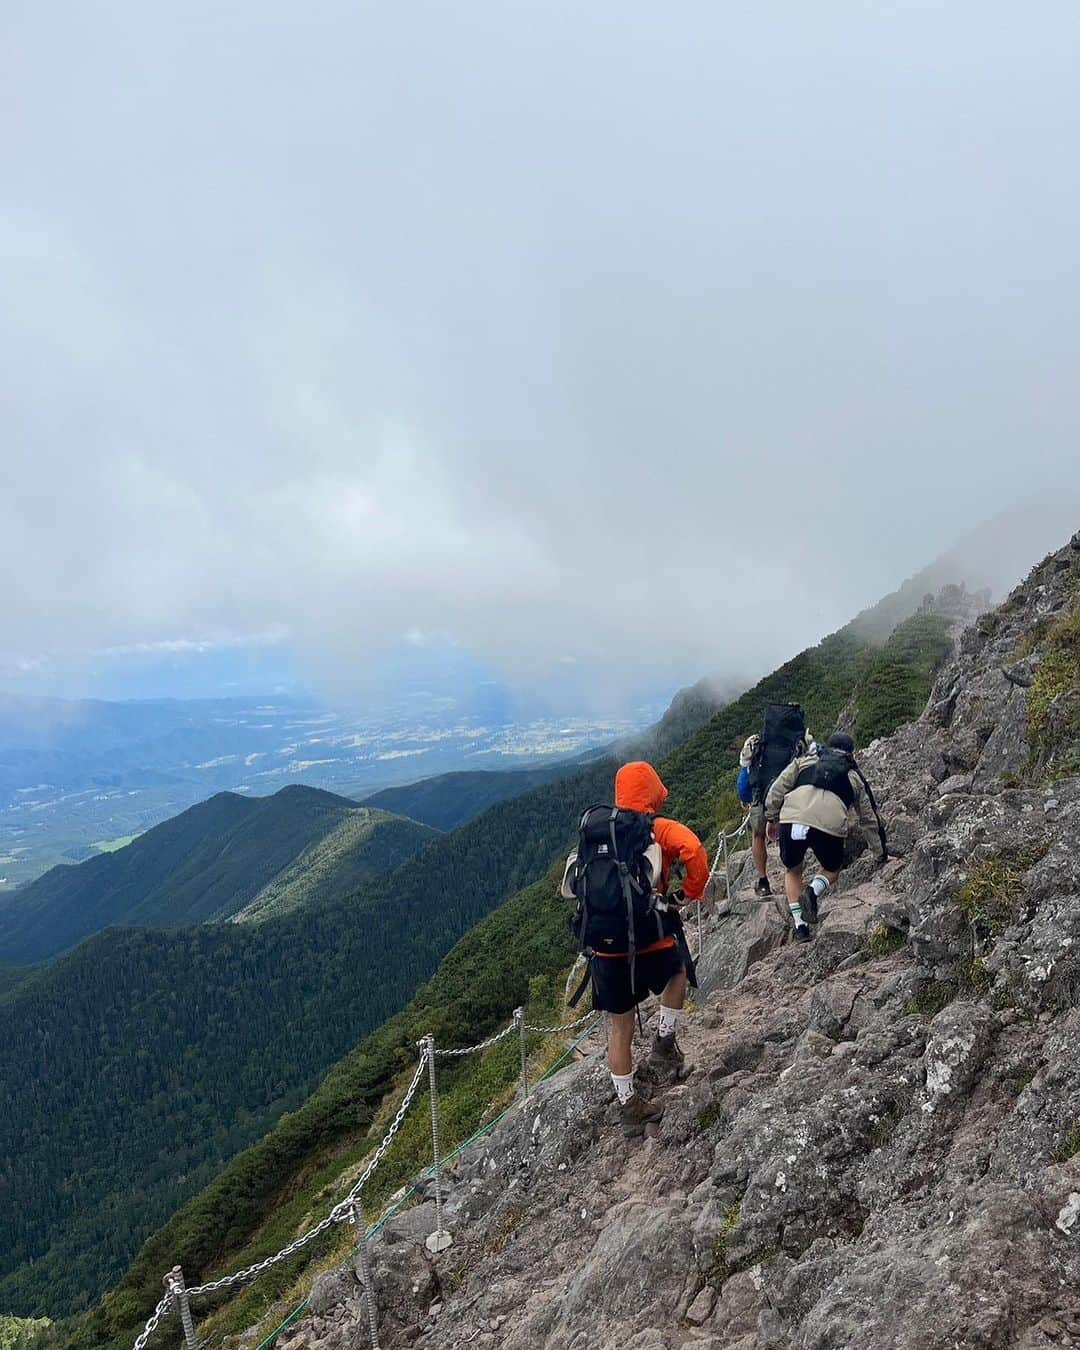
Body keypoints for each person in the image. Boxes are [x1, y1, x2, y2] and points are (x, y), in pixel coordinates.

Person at [568, 761, 708, 1137]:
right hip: (650, 937)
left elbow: (569, 885)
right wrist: (687, 894)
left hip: (605, 949)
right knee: (677, 972)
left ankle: (629, 1104)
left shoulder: (599, 834)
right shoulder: (655, 828)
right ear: (651, 791)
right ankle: (665, 1042)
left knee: (619, 1028)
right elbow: (694, 851)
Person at [764, 731, 887, 943]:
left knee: (793, 870)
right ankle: (812, 892)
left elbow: (776, 790)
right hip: (827, 828)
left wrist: (771, 818)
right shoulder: (854, 775)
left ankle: (800, 928)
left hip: (792, 820)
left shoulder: (803, 762)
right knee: (832, 868)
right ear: (852, 754)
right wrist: (880, 854)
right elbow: (869, 818)